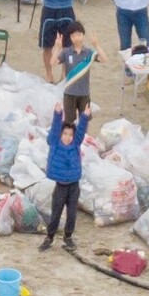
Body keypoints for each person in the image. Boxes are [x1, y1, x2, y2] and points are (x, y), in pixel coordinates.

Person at [39, 100, 91, 252]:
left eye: (70, 134)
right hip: (61, 186)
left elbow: (80, 131)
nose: (68, 137)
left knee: (72, 213)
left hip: (74, 185)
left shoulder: (75, 144)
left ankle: (68, 236)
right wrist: (57, 114)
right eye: (65, 133)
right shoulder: (55, 142)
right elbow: (55, 129)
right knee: (56, 212)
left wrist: (84, 117)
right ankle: (50, 236)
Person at [50, 22, 108, 126]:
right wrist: (58, 47)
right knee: (68, 122)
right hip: (70, 93)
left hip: (84, 94)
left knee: (84, 121)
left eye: (79, 34)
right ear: (70, 38)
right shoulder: (66, 52)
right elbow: (52, 63)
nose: (76, 38)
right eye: (73, 36)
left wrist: (96, 45)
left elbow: (104, 59)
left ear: (83, 35)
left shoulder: (89, 53)